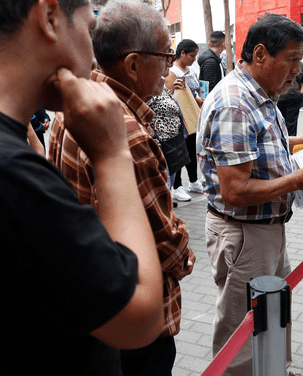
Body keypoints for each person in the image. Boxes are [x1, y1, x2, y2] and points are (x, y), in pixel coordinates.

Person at [0, 0, 164, 374]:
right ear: (50, 16)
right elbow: (139, 315)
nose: (93, 59)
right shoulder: (15, 174)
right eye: (89, 30)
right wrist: (112, 155)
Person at [48, 2, 195, 375]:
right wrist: (187, 256)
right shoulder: (126, 132)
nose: (168, 67)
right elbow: (166, 245)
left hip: (94, 300)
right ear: (132, 64)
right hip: (136, 316)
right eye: (164, 56)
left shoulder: (80, 102)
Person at [197, 14, 303, 376]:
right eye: (291, 59)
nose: (297, 70)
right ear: (260, 54)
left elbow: (256, 144)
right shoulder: (235, 104)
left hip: (267, 228)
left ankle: (273, 368)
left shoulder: (260, 92)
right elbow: (235, 190)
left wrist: (298, 141)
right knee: (242, 328)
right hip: (244, 234)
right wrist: (296, 181)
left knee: (273, 310)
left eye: (300, 60)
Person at [166, 39, 205, 201]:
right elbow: (168, 95)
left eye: (195, 56)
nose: (194, 59)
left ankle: (194, 180)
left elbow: (194, 93)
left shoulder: (190, 70)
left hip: (191, 116)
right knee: (180, 152)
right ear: (182, 53)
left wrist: (201, 102)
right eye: (191, 55)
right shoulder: (172, 72)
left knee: (191, 149)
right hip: (178, 119)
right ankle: (177, 186)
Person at [277, 61, 303, 136]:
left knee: (292, 124)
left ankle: (291, 145)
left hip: (294, 97)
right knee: (278, 123)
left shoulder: (300, 64)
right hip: (279, 98)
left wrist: (301, 93)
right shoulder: (278, 62)